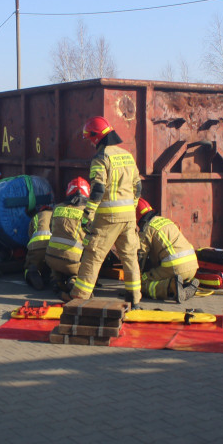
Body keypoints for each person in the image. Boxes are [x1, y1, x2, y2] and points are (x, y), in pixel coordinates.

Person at [68, 116, 142, 306]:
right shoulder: (127, 155)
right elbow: (138, 187)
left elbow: (98, 190)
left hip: (109, 217)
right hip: (129, 217)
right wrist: (131, 207)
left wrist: (88, 214)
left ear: (95, 137)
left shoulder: (100, 158)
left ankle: (79, 297)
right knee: (129, 256)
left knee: (94, 254)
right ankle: (134, 298)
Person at [136, 198, 200, 303]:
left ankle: (172, 288)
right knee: (166, 272)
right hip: (193, 265)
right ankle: (186, 285)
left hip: (175, 266)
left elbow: (140, 255)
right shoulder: (166, 220)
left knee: (142, 282)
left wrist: (136, 276)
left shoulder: (146, 229)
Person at [44, 177, 92, 292]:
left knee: (57, 248)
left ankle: (56, 279)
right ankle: (75, 279)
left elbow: (51, 229)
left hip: (50, 259)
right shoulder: (88, 212)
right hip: (74, 263)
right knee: (93, 256)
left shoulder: (57, 208)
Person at [23, 204, 53, 291]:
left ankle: (32, 271)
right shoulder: (56, 215)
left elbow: (30, 235)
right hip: (52, 247)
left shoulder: (36, 217)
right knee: (53, 264)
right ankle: (49, 275)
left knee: (30, 265)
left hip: (36, 247)